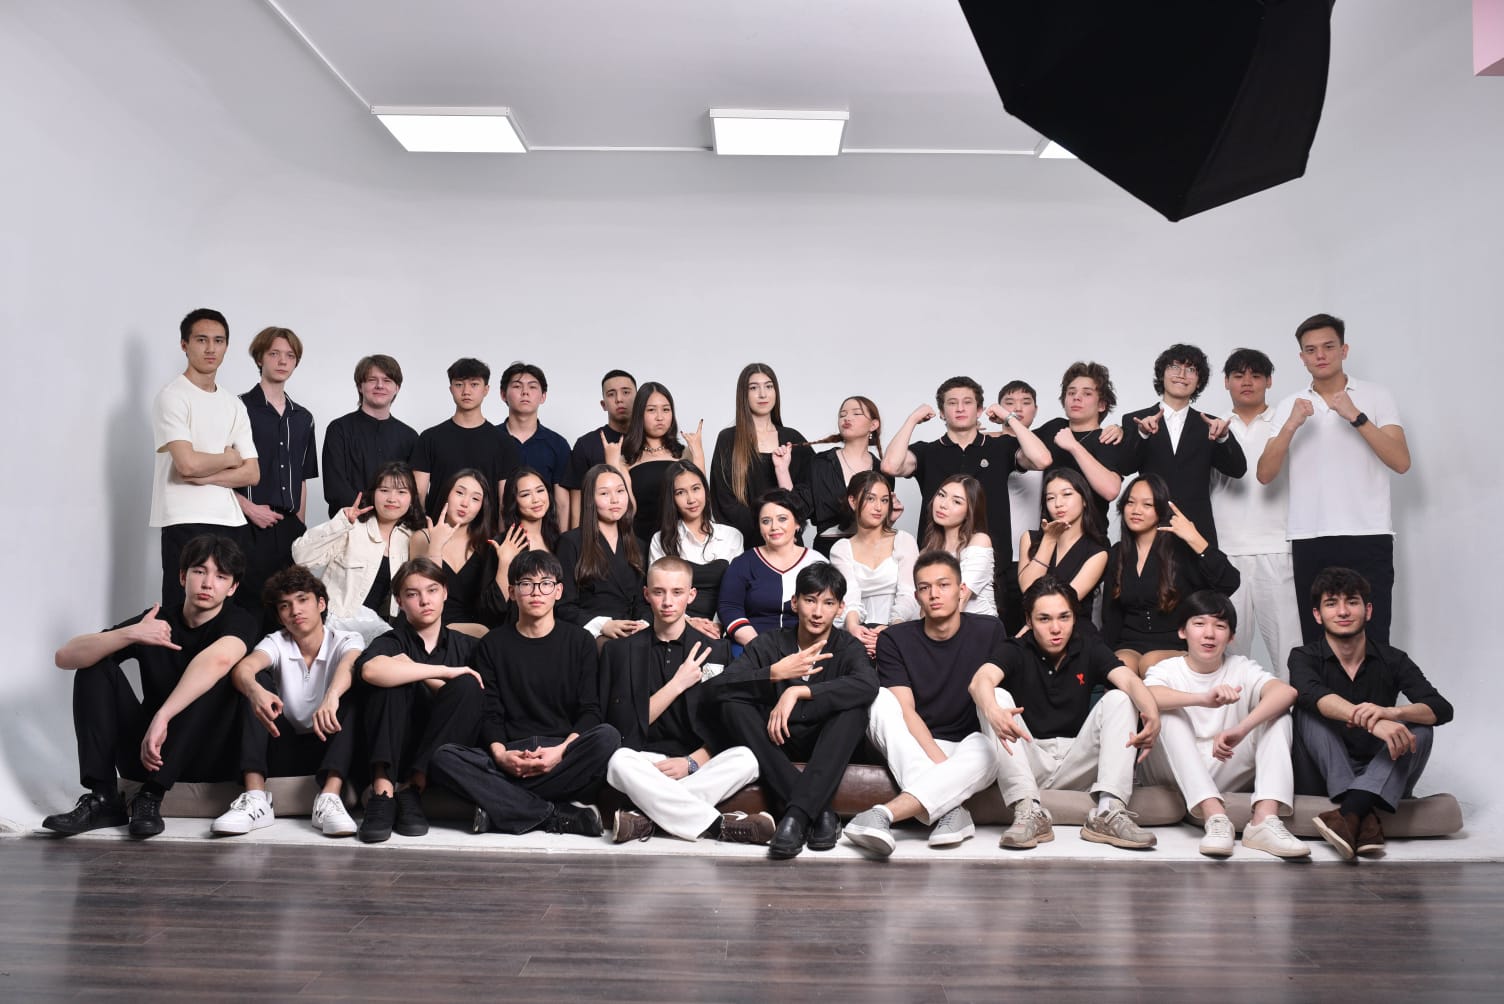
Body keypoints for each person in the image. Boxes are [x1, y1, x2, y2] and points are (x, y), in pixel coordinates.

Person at [42, 535, 261, 838]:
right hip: (149, 752)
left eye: (221, 576)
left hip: (206, 754)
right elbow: (65, 657)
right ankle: (104, 798)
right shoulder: (157, 621)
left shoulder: (240, 621)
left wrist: (162, 716)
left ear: (232, 587)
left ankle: (151, 796)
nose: (208, 583)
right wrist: (132, 633)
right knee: (95, 666)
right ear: (182, 576)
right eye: (199, 571)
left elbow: (218, 661)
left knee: (218, 676)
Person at [428, 550, 622, 838]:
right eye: (526, 584)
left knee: (608, 737)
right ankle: (552, 815)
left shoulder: (580, 641)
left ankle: (501, 805)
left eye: (545, 584)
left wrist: (560, 752)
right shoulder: (492, 644)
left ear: (558, 591)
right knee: (443, 757)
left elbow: (590, 710)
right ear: (512, 592)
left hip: (562, 755)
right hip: (511, 755)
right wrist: (501, 755)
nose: (536, 592)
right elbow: (489, 713)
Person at [970, 578, 1162, 851]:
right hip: (1031, 761)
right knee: (994, 696)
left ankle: (1108, 811)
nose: (1056, 628)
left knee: (1120, 697)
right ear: (1029, 620)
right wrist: (992, 710)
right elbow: (980, 681)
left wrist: (1152, 713)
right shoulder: (1016, 648)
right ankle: (1027, 810)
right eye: (1044, 619)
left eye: (1064, 617)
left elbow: (1129, 680)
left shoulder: (1089, 647)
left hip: (1078, 762)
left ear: (1074, 618)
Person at [705, 563, 878, 858]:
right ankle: (820, 813)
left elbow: (868, 684)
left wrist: (798, 691)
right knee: (731, 706)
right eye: (810, 600)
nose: (817, 612)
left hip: (827, 740)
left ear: (840, 608)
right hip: (776, 741)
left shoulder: (848, 647)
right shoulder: (769, 643)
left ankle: (795, 816)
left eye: (828, 603)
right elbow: (716, 689)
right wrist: (773, 673)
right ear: (795, 603)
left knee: (854, 711)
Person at [1257, 313, 1411, 644]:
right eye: (1311, 350)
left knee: (1373, 636)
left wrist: (1356, 416)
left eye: (1328, 347)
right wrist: (1291, 424)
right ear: (1302, 357)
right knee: (1317, 641)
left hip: (1368, 532)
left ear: (1344, 349)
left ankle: (1373, 683)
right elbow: (1265, 474)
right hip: (1310, 535)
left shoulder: (1375, 395)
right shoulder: (1290, 405)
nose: (1320, 355)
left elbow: (1400, 462)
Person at [842, 551, 1006, 857]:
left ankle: (882, 815)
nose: (934, 594)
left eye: (944, 585)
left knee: (990, 747)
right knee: (880, 699)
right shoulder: (895, 638)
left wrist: (943, 772)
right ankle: (952, 811)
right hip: (914, 744)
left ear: (961, 590)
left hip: (968, 747)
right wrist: (942, 771)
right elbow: (905, 711)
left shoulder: (989, 630)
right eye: (925, 587)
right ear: (916, 595)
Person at [601, 557, 770, 845]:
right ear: (646, 595)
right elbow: (624, 728)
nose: (668, 602)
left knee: (748, 759)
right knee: (618, 761)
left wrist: (692, 762)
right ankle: (719, 827)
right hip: (645, 762)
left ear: (691, 595)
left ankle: (646, 820)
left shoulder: (716, 650)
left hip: (696, 762)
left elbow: (726, 723)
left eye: (677, 592)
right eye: (659, 592)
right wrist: (677, 684)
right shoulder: (619, 651)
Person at [1289, 567, 1452, 861]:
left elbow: (1441, 708)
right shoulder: (1303, 656)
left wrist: (1391, 712)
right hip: (1321, 774)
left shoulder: (1393, 658)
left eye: (1352, 602)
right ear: (1317, 615)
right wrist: (1373, 723)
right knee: (1305, 711)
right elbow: (1313, 694)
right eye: (1331, 603)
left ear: (1368, 610)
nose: (1342, 611)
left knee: (1421, 726)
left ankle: (1349, 813)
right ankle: (1363, 809)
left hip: (1380, 771)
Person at [1137, 591, 1308, 859]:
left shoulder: (1241, 667)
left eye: (1219, 626)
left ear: (1230, 637)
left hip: (1223, 761)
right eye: (1199, 624)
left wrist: (1241, 729)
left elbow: (1286, 692)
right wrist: (1202, 699)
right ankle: (1215, 817)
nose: (1209, 634)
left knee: (1278, 716)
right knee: (1169, 715)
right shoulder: (1168, 669)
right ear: (1182, 631)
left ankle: (1264, 821)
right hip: (1170, 770)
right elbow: (1147, 696)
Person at [211, 565, 362, 838]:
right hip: (282, 745)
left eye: (302, 600)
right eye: (285, 605)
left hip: (329, 745)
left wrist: (331, 697)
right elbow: (243, 668)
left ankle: (330, 798)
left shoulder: (346, 639)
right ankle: (256, 799)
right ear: (280, 616)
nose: (295, 611)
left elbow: (349, 664)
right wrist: (255, 691)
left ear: (321, 604)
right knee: (256, 682)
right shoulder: (277, 641)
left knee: (353, 689)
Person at [355, 557, 487, 843]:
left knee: (467, 685)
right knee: (388, 682)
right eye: (413, 594)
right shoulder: (391, 641)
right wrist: (442, 671)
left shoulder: (469, 646)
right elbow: (369, 670)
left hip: (439, 754)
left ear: (445, 593)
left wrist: (416, 671)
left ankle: (412, 788)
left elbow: (478, 702)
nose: (425, 601)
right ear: (400, 602)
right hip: (395, 743)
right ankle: (382, 792)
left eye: (432, 590)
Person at [150, 308, 260, 609]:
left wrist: (203, 475)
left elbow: (252, 473)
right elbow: (186, 464)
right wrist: (229, 457)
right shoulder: (173, 396)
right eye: (201, 340)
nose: (211, 348)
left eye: (218, 341)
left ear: (226, 346)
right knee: (183, 609)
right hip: (185, 517)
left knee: (230, 610)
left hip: (230, 519)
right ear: (184, 345)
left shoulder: (233, 404)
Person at [882, 376, 1050, 564]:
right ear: (942, 413)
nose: (960, 408)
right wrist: (912, 420)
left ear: (979, 410)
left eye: (967, 402)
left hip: (993, 561)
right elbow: (890, 466)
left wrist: (1009, 418)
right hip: (936, 560)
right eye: (952, 403)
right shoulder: (927, 451)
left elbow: (1042, 460)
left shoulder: (1001, 447)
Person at [1211, 349, 1303, 676]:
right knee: (1226, 656)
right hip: (1226, 552)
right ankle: (1233, 713)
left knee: (1290, 652)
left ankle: (1295, 712)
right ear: (1226, 382)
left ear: (1269, 381)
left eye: (1255, 376)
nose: (1247, 382)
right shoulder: (1212, 427)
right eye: (1238, 376)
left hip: (1277, 547)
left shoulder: (1287, 423)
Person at [1102, 475, 1241, 677]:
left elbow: (1229, 583)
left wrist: (1194, 538)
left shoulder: (1179, 551)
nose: (1136, 510)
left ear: (1160, 509)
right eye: (1130, 502)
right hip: (1130, 642)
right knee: (1120, 669)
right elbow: (1111, 615)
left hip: (1175, 642)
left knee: (1151, 664)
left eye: (1147, 504)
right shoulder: (1117, 553)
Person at [1123, 344, 1246, 550]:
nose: (1181, 375)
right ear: (1162, 375)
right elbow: (1125, 466)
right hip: (1149, 529)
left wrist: (1223, 438)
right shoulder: (1136, 420)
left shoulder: (1211, 424)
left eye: (1191, 370)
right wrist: (1142, 434)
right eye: (1174, 367)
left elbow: (1237, 469)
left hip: (1196, 531)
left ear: (1199, 381)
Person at [235, 326, 318, 629]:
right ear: (260, 358)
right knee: (248, 607)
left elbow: (303, 476)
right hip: (247, 523)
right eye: (274, 354)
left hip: (288, 527)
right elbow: (219, 472)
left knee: (287, 610)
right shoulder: (238, 408)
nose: (282, 361)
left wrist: (300, 526)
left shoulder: (303, 418)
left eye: (290, 355)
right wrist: (248, 508)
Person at [291, 461, 424, 643]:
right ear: (373, 493)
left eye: (401, 492)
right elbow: (301, 556)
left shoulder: (413, 538)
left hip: (378, 631)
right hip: (335, 626)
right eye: (384, 490)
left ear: (412, 499)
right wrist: (340, 524)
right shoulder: (351, 526)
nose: (392, 498)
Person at [709, 363, 812, 547]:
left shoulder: (793, 439)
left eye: (769, 386)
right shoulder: (728, 439)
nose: (763, 394)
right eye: (754, 388)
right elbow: (723, 500)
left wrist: (782, 528)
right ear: (743, 394)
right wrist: (765, 528)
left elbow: (806, 496)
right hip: (745, 544)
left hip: (789, 545)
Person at [718, 489, 834, 652]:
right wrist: (761, 647)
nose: (774, 527)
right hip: (751, 646)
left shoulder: (816, 562)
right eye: (766, 521)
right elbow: (729, 607)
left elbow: (829, 609)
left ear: (797, 523)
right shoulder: (743, 563)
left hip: (805, 646)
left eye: (782, 519)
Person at [410, 357, 521, 521]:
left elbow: (505, 502)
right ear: (451, 389)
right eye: (459, 384)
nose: (466, 391)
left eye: (474, 384)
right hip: (439, 530)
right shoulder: (429, 438)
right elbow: (418, 496)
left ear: (486, 389)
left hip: (485, 533)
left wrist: (501, 535)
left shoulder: (504, 443)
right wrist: (423, 531)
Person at [603, 381, 706, 552]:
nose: (660, 417)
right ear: (639, 414)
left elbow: (701, 500)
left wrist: (699, 454)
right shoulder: (626, 459)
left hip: (682, 543)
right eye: (651, 410)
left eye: (666, 409)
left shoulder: (685, 453)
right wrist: (612, 465)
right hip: (641, 542)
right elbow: (626, 511)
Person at [1030, 362, 1136, 524]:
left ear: (1101, 405)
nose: (1076, 397)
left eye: (1087, 393)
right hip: (1049, 533)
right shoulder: (1054, 427)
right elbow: (1016, 441)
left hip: (1090, 535)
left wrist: (1074, 446)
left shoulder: (1106, 438)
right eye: (1071, 392)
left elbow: (1111, 490)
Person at [648, 460, 744, 637]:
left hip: (720, 627)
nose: (691, 499)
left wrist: (717, 626)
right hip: (676, 626)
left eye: (696, 489)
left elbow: (734, 593)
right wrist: (688, 622)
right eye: (680, 492)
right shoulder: (660, 539)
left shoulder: (732, 536)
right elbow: (658, 594)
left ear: (705, 490)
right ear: (671, 498)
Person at [830, 471, 920, 658]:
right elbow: (849, 596)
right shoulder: (841, 549)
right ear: (853, 501)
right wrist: (854, 627)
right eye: (870, 499)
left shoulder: (904, 540)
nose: (878, 507)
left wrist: (891, 630)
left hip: (900, 627)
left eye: (884, 500)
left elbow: (909, 593)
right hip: (857, 633)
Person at [556, 464, 649, 646]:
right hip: (591, 635)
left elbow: (643, 601)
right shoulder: (570, 542)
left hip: (633, 633)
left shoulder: (639, 545)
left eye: (620, 491)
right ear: (590, 499)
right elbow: (563, 606)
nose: (615, 499)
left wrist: (642, 623)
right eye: (604, 493)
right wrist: (603, 625)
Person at [409, 469, 506, 634]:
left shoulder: (487, 545)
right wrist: (435, 546)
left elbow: (494, 609)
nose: (465, 503)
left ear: (482, 507)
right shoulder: (422, 537)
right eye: (460, 493)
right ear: (447, 494)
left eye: (475, 499)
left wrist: (505, 562)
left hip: (475, 631)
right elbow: (423, 594)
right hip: (430, 628)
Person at [321, 354, 418, 519]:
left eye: (387, 380)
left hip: (395, 526)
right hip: (350, 523)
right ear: (360, 386)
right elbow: (335, 487)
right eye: (372, 380)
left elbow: (413, 490)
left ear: (397, 388)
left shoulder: (410, 437)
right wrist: (367, 516)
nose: (380, 385)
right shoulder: (338, 429)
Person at [800, 396, 891, 557]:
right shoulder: (820, 463)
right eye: (842, 415)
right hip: (828, 548)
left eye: (856, 413)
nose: (847, 418)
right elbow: (798, 507)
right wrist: (781, 469)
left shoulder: (883, 470)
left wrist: (890, 518)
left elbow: (881, 517)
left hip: (870, 548)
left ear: (873, 425)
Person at [987, 379, 1043, 634]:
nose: (1017, 408)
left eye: (1025, 402)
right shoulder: (987, 446)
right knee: (996, 629)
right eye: (1009, 403)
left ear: (1036, 410)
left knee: (1031, 627)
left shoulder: (1041, 447)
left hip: (1032, 554)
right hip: (996, 555)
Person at [1016, 468, 1109, 609]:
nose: (1058, 503)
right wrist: (1049, 540)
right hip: (1032, 621)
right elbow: (1028, 590)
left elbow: (1064, 605)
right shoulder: (1029, 538)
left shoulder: (1097, 552)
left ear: (1084, 500)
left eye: (1067, 494)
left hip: (1072, 621)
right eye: (1050, 498)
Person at [498, 362, 572, 531]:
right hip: (495, 537)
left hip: (545, 537)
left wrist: (563, 543)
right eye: (517, 386)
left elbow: (562, 503)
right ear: (503, 394)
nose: (525, 392)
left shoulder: (558, 444)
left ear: (543, 396)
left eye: (532, 387)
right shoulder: (491, 440)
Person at [563, 370, 636, 529]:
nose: (619, 399)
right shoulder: (586, 444)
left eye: (626, 392)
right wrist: (575, 539)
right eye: (611, 394)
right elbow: (578, 503)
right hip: (601, 536)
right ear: (603, 405)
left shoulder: (652, 442)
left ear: (638, 400)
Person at [918, 474, 997, 617]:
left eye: (956, 502)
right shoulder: (926, 551)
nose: (943, 505)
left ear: (969, 511)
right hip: (937, 625)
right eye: (941, 495)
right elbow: (923, 605)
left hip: (977, 625)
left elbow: (960, 599)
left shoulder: (979, 541)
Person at [487, 466, 561, 604]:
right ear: (514, 501)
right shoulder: (502, 543)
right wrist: (505, 563)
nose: (536, 499)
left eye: (540, 490)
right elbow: (493, 608)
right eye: (525, 494)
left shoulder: (559, 540)